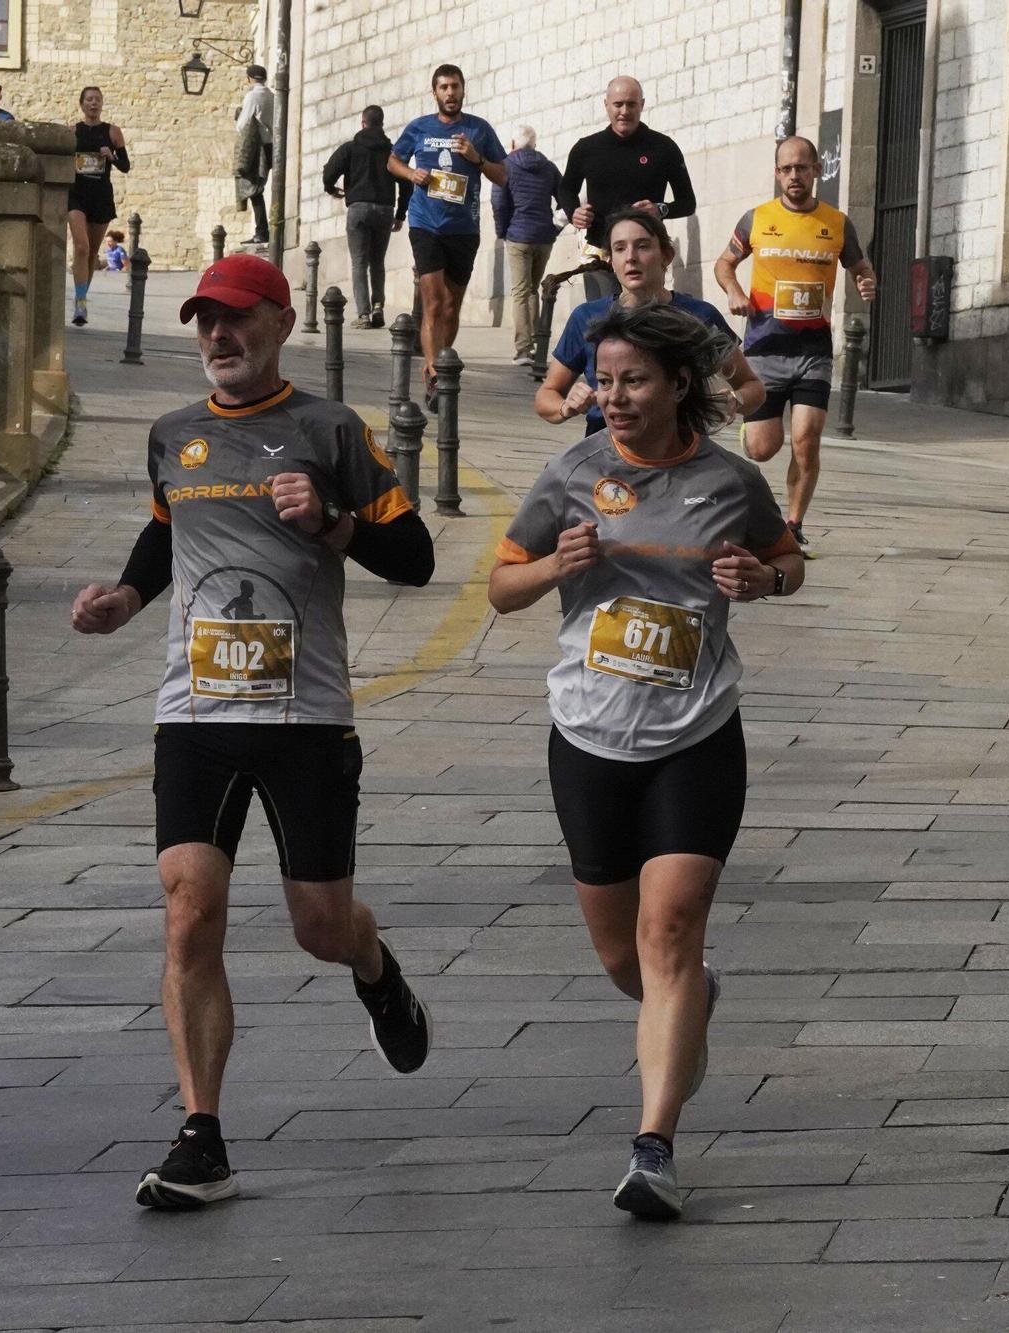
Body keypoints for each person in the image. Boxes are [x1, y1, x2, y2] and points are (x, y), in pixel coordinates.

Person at [67, 254, 438, 1211]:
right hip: (193, 711)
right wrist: (124, 596)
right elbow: (167, 533)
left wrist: (335, 522)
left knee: (319, 924)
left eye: (235, 320)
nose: (218, 338)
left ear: (279, 324)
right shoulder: (173, 434)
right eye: (205, 323)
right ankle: (204, 1135)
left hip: (306, 714)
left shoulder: (329, 429)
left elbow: (418, 559)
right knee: (190, 902)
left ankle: (373, 964)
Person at [490, 301, 804, 1220]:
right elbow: (502, 588)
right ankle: (689, 1000)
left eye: (632, 381)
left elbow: (789, 562)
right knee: (627, 958)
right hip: (588, 737)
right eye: (605, 379)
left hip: (697, 736)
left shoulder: (730, 481)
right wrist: (555, 568)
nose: (615, 397)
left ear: (676, 387)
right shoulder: (573, 473)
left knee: (669, 934)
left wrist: (763, 579)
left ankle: (654, 1145)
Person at [714, 135, 877, 553]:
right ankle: (750, 434)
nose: (794, 176)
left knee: (807, 438)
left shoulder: (836, 224)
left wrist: (865, 278)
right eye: (786, 169)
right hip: (765, 348)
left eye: (801, 168)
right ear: (776, 174)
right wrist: (733, 291)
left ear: (816, 171)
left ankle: (794, 524)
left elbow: (858, 263)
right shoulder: (757, 219)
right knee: (763, 449)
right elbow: (724, 263)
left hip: (813, 353)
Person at [538, 207, 763, 434]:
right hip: (606, 450)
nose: (631, 257)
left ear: (666, 256)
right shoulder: (587, 317)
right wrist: (566, 406)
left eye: (643, 246)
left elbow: (753, 387)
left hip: (680, 452)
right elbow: (547, 395)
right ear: (611, 261)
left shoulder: (700, 316)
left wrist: (734, 400)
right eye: (620, 248)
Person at [388, 64, 507, 402]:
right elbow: (392, 161)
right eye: (444, 87)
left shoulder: (479, 130)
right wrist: (412, 174)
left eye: (455, 86)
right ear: (435, 92)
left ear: (463, 90)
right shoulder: (420, 128)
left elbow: (503, 176)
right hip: (426, 223)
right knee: (434, 303)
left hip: (464, 228)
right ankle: (434, 373)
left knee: (452, 307)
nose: (450, 93)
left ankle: (442, 357)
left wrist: (476, 158)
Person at [557, 76, 696, 300]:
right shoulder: (586, 148)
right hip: (601, 253)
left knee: (643, 318)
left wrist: (660, 209)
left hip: (645, 253)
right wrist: (575, 212)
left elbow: (688, 202)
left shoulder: (663, 148)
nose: (624, 111)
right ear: (606, 105)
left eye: (631, 104)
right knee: (603, 321)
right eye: (618, 104)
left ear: (642, 104)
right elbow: (565, 189)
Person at [322, 104, 410, 329]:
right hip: (384, 210)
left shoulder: (350, 149)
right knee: (377, 261)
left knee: (359, 262)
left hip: (358, 209)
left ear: (363, 123)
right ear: (381, 124)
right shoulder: (391, 152)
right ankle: (378, 305)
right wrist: (400, 213)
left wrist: (332, 189)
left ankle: (363, 314)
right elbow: (406, 182)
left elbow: (329, 171)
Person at [492, 125, 561, 366]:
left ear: (512, 144)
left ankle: (523, 350)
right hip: (543, 237)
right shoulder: (549, 167)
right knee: (533, 289)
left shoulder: (505, 166)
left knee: (521, 291)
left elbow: (498, 202)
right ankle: (537, 344)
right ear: (535, 144)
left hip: (518, 236)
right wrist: (556, 229)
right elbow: (566, 200)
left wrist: (502, 231)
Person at [67, 85, 129, 326]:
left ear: (102, 104)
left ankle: (81, 298)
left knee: (92, 252)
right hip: (77, 195)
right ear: (82, 104)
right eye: (89, 100)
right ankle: (80, 304)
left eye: (98, 100)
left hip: (100, 195)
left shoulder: (112, 132)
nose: (94, 104)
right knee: (81, 247)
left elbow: (125, 166)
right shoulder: (72, 132)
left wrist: (111, 156)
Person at [235, 65, 275, 244]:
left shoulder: (252, 96)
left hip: (257, 146)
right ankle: (266, 229)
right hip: (271, 144)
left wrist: (238, 118)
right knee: (260, 187)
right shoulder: (272, 96)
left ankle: (261, 232)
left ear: (249, 78)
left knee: (254, 189)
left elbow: (243, 124)